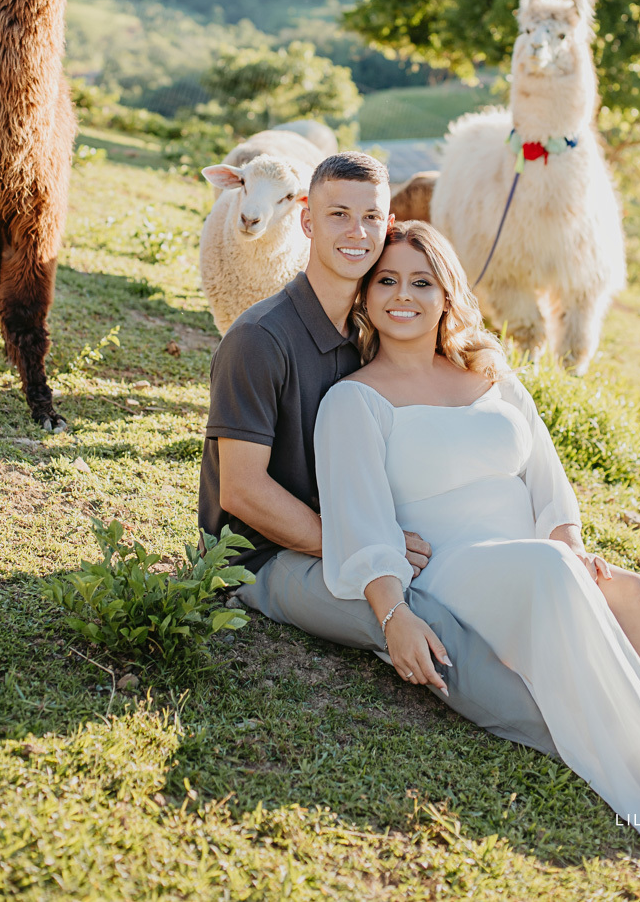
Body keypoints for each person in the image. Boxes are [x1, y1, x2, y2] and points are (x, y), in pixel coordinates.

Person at [314, 220, 640, 862]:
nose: (404, 295)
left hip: (537, 557)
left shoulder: (491, 377)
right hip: (455, 568)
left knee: (625, 588)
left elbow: (547, 478)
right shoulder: (353, 402)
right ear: (364, 297)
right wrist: (392, 612)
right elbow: (360, 519)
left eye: (422, 281)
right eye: (387, 281)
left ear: (447, 294)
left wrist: (569, 541)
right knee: (548, 569)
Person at [198, 150, 558, 754]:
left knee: (470, 578)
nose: (357, 232)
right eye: (339, 214)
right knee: (408, 610)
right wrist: (370, 549)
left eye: (371, 216)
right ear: (307, 220)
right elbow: (242, 490)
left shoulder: (370, 333)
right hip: (258, 561)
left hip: (356, 532)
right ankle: (567, 729)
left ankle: (631, 685)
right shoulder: (260, 339)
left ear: (388, 223)